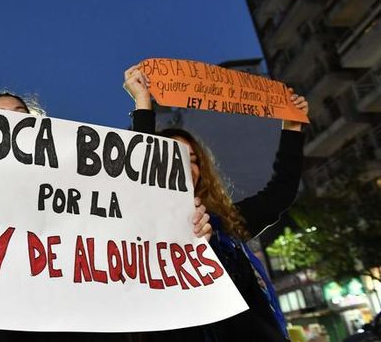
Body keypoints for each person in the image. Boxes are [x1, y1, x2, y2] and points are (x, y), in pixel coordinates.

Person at [0, 91, 212, 342]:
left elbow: (135, 196)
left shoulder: (82, 194)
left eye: (21, 115)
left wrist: (185, 236)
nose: (10, 122)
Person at [123, 64, 308, 342]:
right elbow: (143, 170)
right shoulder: (143, 235)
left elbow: (281, 192)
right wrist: (143, 102)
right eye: (174, 158)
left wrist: (292, 126)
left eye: (194, 160)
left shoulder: (228, 225)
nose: (186, 166)